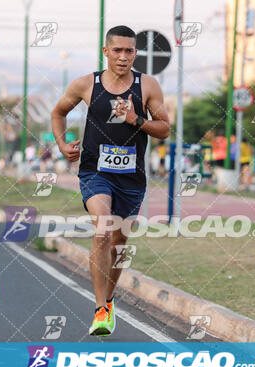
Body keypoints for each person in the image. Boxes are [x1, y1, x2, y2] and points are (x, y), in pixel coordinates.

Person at [51, 25, 170, 336]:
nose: (123, 56)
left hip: (132, 178)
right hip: (95, 172)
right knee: (103, 228)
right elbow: (58, 113)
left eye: (129, 51)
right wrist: (63, 144)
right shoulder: (86, 85)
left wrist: (135, 119)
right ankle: (100, 307)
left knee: (119, 242)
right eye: (117, 50)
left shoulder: (147, 86)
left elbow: (164, 129)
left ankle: (110, 299)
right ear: (106, 51)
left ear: (135, 53)